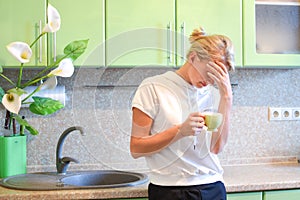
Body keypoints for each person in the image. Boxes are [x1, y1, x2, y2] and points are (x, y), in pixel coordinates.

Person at [130, 27, 235, 200]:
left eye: (216, 77)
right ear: (192, 58)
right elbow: (136, 148)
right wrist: (180, 131)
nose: (210, 81)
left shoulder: (217, 94)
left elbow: (217, 147)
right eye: (208, 73)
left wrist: (227, 97)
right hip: (169, 191)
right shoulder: (153, 88)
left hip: (213, 187)